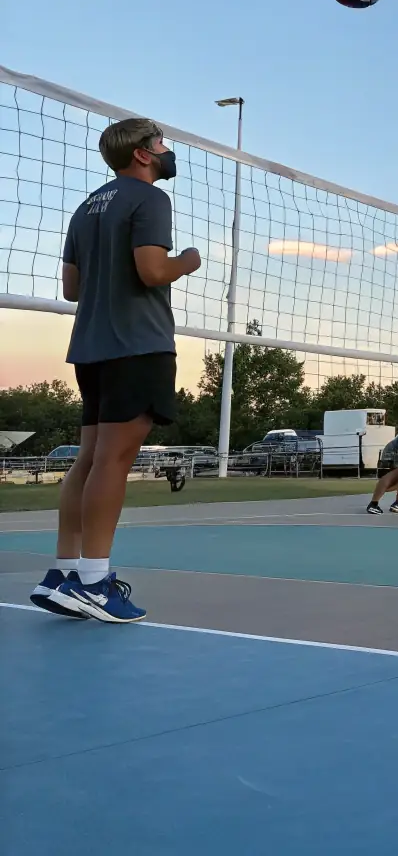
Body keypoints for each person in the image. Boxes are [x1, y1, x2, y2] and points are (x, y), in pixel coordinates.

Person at [32, 118, 200, 624]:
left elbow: (72, 288)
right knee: (113, 462)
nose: (168, 151)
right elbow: (152, 270)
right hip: (138, 345)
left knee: (88, 460)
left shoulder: (87, 206)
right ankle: (96, 583)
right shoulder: (150, 200)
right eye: (162, 144)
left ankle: (63, 574)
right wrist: (187, 261)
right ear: (144, 155)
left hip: (91, 347)